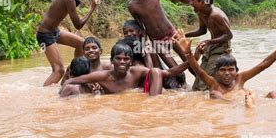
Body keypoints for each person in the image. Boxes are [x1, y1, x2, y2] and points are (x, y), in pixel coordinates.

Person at [173, 27, 276, 106]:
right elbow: (199, 70)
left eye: (231, 70)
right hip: (237, 105)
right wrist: (187, 52)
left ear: (236, 71)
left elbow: (265, 64)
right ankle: (243, 106)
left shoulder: (240, 78)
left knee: (275, 93)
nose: (227, 73)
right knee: (214, 94)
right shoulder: (213, 83)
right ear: (215, 72)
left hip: (250, 103)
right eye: (222, 70)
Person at [37, 0, 100, 86]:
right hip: (44, 35)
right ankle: (43, 95)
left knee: (82, 44)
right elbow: (78, 25)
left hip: (54, 32)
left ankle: (74, 73)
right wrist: (92, 8)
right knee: (58, 70)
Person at [61, 43, 190, 96]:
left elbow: (169, 72)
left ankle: (154, 105)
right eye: (118, 59)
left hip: (142, 99)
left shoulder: (136, 72)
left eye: (126, 59)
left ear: (130, 62)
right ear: (112, 61)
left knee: (155, 71)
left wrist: (192, 57)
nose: (122, 62)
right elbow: (69, 82)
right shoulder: (103, 76)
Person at [124, 0, 190, 69]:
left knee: (188, 61)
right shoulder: (132, 6)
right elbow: (141, 27)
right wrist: (143, 45)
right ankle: (182, 83)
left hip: (172, 35)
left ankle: (202, 83)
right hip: (157, 41)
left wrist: (195, 1)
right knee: (175, 69)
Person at [185, 0, 233, 91]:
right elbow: (202, 30)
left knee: (205, 84)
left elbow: (229, 35)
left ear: (202, 2)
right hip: (210, 48)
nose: (190, 3)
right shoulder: (201, 12)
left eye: (193, 0)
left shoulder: (215, 15)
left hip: (221, 49)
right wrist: (184, 35)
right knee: (199, 79)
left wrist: (208, 41)